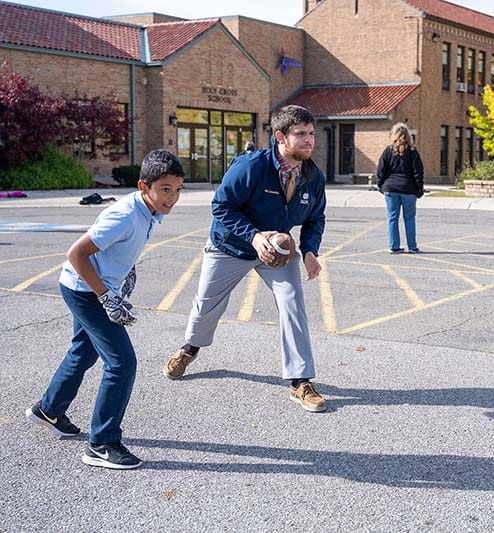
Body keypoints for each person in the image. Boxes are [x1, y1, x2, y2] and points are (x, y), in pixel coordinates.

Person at [162, 105, 328, 413]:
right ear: (280, 137)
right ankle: (189, 349)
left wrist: (309, 251)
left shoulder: (312, 176)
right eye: (301, 134)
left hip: (276, 253)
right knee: (207, 304)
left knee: (293, 302)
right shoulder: (250, 166)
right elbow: (222, 206)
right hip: (232, 246)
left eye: (311, 134)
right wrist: (254, 236)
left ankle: (300, 380)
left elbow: (315, 219)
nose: (309, 140)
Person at [25, 149, 185, 470]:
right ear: (144, 187)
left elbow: (116, 251)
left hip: (92, 287)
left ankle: (49, 409)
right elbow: (76, 254)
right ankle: (101, 443)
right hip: (84, 290)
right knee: (122, 363)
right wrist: (106, 296)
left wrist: (125, 274)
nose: (172, 197)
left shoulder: (151, 210)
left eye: (178, 189)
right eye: (165, 189)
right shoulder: (125, 215)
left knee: (83, 352)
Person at [376, 122, 424, 254]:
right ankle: (412, 247)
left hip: (390, 189)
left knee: (392, 218)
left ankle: (394, 246)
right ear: (408, 136)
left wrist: (381, 185)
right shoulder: (413, 152)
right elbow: (418, 172)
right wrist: (419, 189)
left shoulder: (388, 151)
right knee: (409, 218)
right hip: (408, 189)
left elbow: (380, 170)